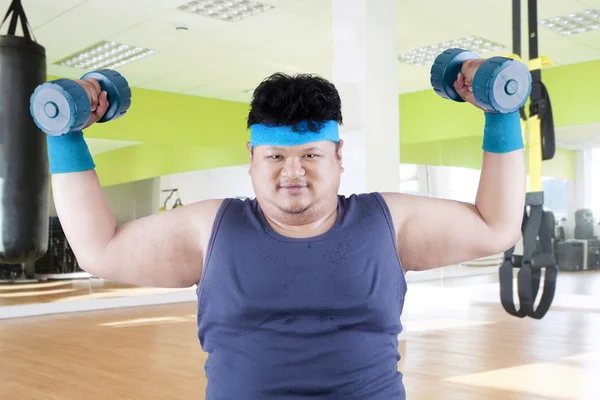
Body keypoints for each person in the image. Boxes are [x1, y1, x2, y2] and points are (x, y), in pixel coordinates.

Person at [47, 59, 526, 399]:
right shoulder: (211, 228)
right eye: (275, 156)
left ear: (339, 159)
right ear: (252, 162)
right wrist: (64, 135)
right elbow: (98, 249)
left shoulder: (387, 222)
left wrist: (501, 115)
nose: (292, 172)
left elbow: (496, 226)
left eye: (311, 155)